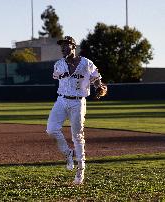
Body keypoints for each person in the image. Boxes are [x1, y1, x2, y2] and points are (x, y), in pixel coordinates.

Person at [46, 36, 107, 185]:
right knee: (51, 129)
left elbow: (96, 78)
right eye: (62, 47)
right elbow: (57, 76)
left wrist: (99, 87)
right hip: (61, 100)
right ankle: (68, 153)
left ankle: (80, 170)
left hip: (78, 102)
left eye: (66, 46)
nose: (63, 48)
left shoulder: (86, 63)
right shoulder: (59, 64)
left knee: (77, 136)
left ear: (73, 47)